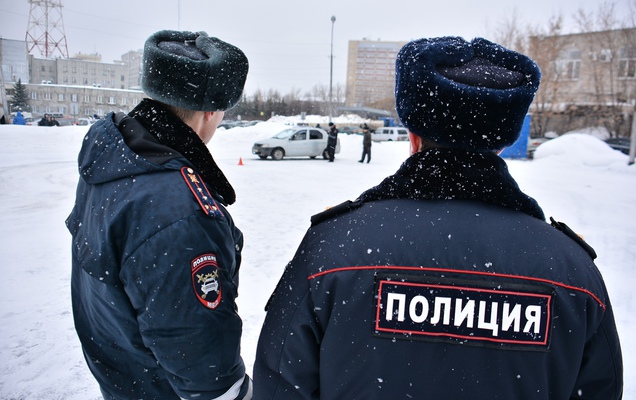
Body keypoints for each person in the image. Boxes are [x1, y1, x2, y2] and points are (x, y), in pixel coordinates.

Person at [253, 37, 623, 399]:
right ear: (501, 144)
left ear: (413, 137)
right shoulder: (572, 270)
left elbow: (279, 384)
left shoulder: (333, 247)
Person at [66, 30, 252, 400]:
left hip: (124, 376)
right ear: (210, 112)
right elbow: (204, 368)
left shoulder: (117, 157)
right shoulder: (181, 213)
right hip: (157, 389)